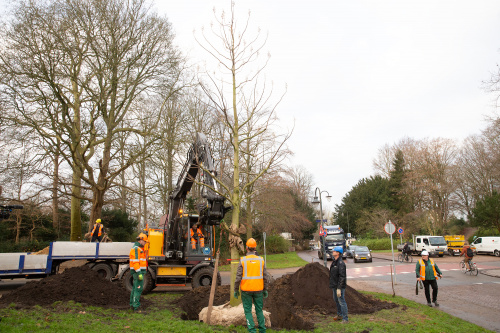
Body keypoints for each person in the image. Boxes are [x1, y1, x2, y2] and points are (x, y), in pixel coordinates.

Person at [234, 238, 268, 333]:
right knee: (259, 310)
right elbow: (265, 277)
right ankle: (262, 330)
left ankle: (252, 330)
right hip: (258, 290)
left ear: (246, 248)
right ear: (255, 248)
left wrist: (236, 290)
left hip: (246, 290)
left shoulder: (243, 260)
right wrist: (265, 289)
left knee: (248, 311)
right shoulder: (261, 260)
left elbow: (238, 278)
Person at [129, 233, 148, 312]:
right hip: (138, 272)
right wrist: (139, 272)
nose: (145, 243)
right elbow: (135, 262)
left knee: (135, 289)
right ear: (141, 240)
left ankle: (132, 305)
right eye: (145, 241)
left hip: (137, 272)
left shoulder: (138, 248)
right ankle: (136, 307)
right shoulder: (137, 249)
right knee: (138, 289)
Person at [329, 246, 348, 324]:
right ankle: (339, 315)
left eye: (334, 251)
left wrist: (339, 288)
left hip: (339, 286)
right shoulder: (334, 262)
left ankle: (345, 319)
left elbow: (342, 276)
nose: (333, 252)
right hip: (334, 285)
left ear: (338, 253)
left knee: (341, 301)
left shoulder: (341, 263)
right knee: (336, 300)